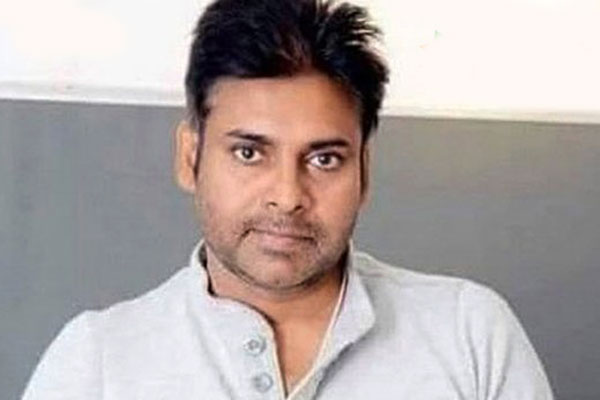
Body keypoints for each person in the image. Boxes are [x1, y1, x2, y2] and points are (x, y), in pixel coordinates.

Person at [23, 0, 554, 398]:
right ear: (190, 157)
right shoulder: (98, 361)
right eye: (249, 153)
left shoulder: (469, 334)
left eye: (324, 159)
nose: (287, 196)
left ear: (364, 172)